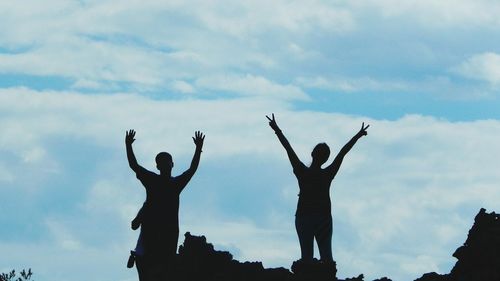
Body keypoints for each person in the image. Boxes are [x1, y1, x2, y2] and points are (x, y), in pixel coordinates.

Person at [266, 114, 369, 264]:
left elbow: (288, 148)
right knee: (327, 259)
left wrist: (277, 130)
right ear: (326, 158)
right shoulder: (327, 174)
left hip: (304, 217)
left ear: (312, 153)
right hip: (323, 217)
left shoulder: (302, 172)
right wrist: (358, 136)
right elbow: (343, 152)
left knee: (306, 258)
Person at [125, 129, 205, 280]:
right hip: (151, 233)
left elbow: (192, 169)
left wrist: (198, 149)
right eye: (161, 162)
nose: (165, 164)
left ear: (172, 164)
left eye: (166, 161)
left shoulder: (175, 184)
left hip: (168, 234)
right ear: (158, 166)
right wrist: (128, 145)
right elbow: (133, 165)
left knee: (163, 270)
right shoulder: (153, 180)